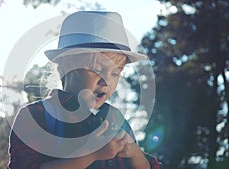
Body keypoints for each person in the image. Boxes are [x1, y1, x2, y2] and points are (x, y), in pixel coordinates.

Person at [8, 11, 161, 169]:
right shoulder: (36, 115)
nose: (106, 81)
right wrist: (90, 154)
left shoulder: (116, 118)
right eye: (97, 69)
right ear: (66, 65)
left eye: (115, 73)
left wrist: (135, 153)